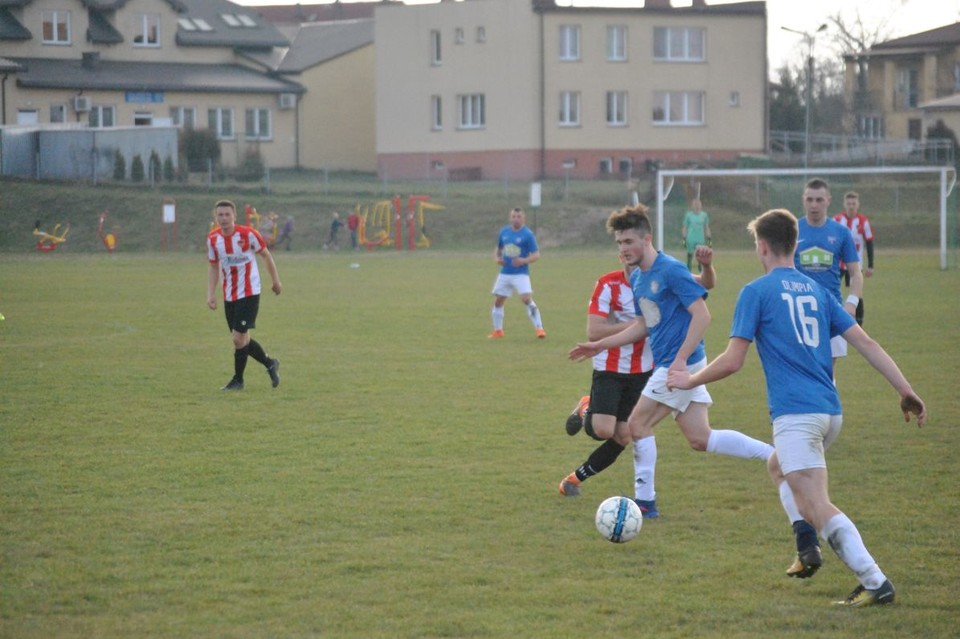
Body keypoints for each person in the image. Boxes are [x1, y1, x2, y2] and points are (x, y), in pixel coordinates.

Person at [667, 208, 926, 607]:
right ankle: (807, 545)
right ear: (795, 245)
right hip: (829, 411)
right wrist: (905, 390)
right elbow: (867, 344)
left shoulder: (756, 291)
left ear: (763, 247)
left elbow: (733, 360)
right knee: (778, 467)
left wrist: (689, 379)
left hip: (796, 415)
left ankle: (875, 582)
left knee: (816, 503)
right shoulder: (820, 292)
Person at [568, 204, 773, 504]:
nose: (623, 249)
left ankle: (645, 503)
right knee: (701, 438)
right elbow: (643, 325)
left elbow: (703, 316)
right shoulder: (638, 279)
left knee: (637, 425)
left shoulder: (671, 269)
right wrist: (600, 345)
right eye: (619, 244)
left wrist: (678, 361)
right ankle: (775, 455)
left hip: (679, 364)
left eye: (628, 242)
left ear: (647, 239)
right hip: (679, 364)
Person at [560, 246, 716, 519]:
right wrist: (649, 322)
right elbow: (594, 330)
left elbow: (705, 284)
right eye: (622, 247)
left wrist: (706, 267)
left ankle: (574, 479)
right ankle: (588, 409)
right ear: (620, 255)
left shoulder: (662, 274)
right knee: (606, 430)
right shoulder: (609, 284)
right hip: (610, 366)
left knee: (626, 435)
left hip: (645, 368)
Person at [207, 199, 282, 391]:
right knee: (242, 339)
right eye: (220, 215)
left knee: (237, 338)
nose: (223, 218)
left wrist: (275, 281)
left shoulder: (248, 235)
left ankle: (238, 380)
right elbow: (214, 266)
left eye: (227, 214)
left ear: (234, 216)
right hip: (229, 294)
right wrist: (211, 293)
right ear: (216, 217)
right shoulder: (213, 239)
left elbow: (265, 255)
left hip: (249, 291)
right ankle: (270, 363)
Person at [795, 178, 861, 372]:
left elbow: (856, 273)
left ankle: (827, 402)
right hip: (799, 310)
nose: (814, 205)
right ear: (803, 200)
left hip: (831, 309)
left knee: (827, 372)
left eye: (819, 200)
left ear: (828, 200)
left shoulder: (841, 232)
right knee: (802, 370)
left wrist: (852, 302)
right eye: (810, 199)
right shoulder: (793, 230)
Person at [489, 207, 545, 339]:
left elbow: (536, 255)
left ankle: (539, 328)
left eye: (518, 216)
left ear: (523, 218)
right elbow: (499, 249)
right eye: (513, 216)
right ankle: (498, 331)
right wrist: (498, 259)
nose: (516, 219)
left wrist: (524, 260)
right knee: (499, 301)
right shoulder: (504, 232)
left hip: (521, 274)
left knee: (526, 299)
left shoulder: (528, 234)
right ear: (510, 218)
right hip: (505, 273)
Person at [833, 191, 874, 326]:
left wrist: (871, 265)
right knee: (830, 290)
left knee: (857, 294)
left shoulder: (863, 221)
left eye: (853, 203)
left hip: (856, 265)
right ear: (844, 204)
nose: (851, 206)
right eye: (849, 203)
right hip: (838, 264)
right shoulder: (837, 220)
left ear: (858, 204)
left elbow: (869, 243)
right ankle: (831, 318)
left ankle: (859, 324)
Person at [681, 198, 711, 272]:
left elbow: (706, 227)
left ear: (701, 205)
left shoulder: (704, 215)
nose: (697, 206)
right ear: (692, 206)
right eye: (695, 204)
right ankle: (688, 272)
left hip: (700, 239)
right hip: (691, 238)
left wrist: (709, 239)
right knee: (690, 255)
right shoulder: (688, 215)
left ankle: (701, 273)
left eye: (698, 204)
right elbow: (685, 227)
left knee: (701, 256)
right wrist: (684, 238)